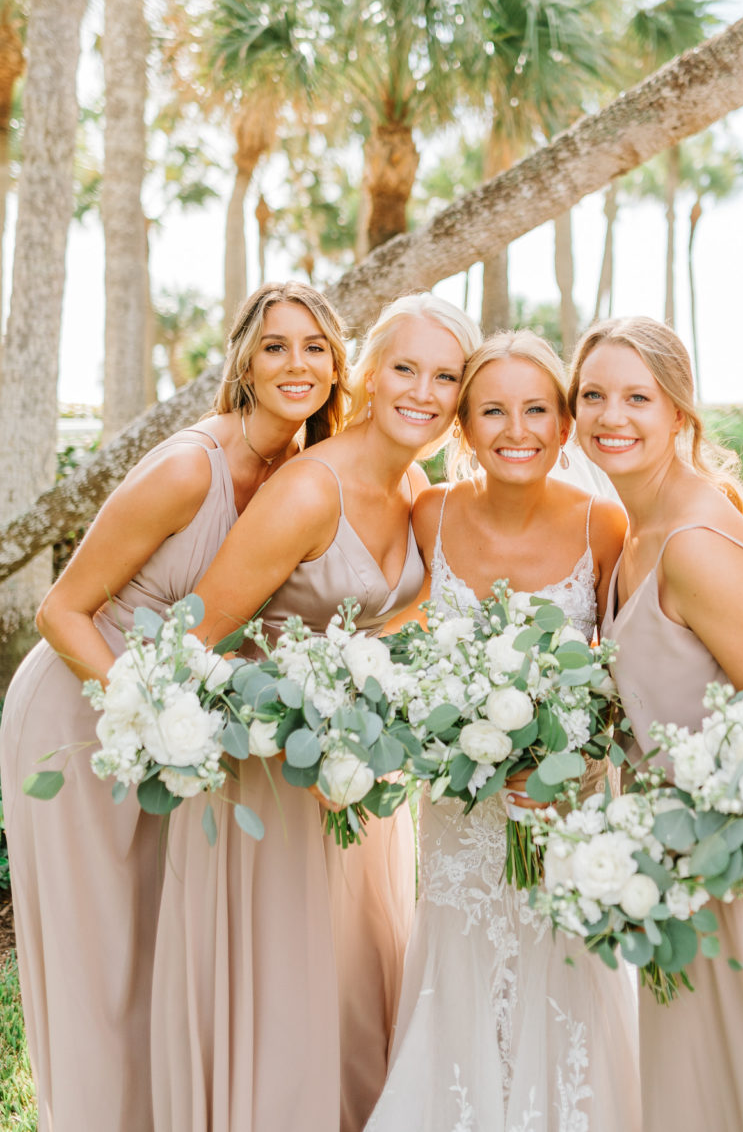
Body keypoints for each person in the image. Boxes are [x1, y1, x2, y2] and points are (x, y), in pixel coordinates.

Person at [0, 280, 346, 1132]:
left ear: (340, 366)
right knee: (100, 952)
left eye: (315, 346)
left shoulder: (300, 474)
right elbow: (61, 610)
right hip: (81, 710)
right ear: (244, 363)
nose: (296, 363)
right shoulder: (191, 467)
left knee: (161, 944)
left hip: (177, 730)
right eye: (276, 346)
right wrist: (147, 716)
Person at [150, 292, 480, 1132]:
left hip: (357, 776)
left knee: (354, 982)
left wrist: (373, 707)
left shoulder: (414, 485)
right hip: (271, 777)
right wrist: (300, 726)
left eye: (446, 376)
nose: (424, 390)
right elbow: (194, 641)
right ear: (367, 375)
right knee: (289, 992)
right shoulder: (305, 490)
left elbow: (391, 618)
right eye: (406, 368)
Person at [366, 328, 639, 1132]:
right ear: (463, 424)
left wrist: (569, 750)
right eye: (492, 411)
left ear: (564, 426)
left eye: (535, 411)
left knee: (563, 962)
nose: (515, 431)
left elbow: (623, 673)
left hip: (563, 803)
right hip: (461, 807)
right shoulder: (431, 512)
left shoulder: (603, 524)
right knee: (461, 956)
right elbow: (397, 641)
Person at [570, 316, 743, 1132]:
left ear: (679, 413)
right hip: (671, 866)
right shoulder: (632, 531)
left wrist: (732, 849)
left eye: (637, 398)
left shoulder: (695, 540)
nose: (612, 416)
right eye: (593, 396)